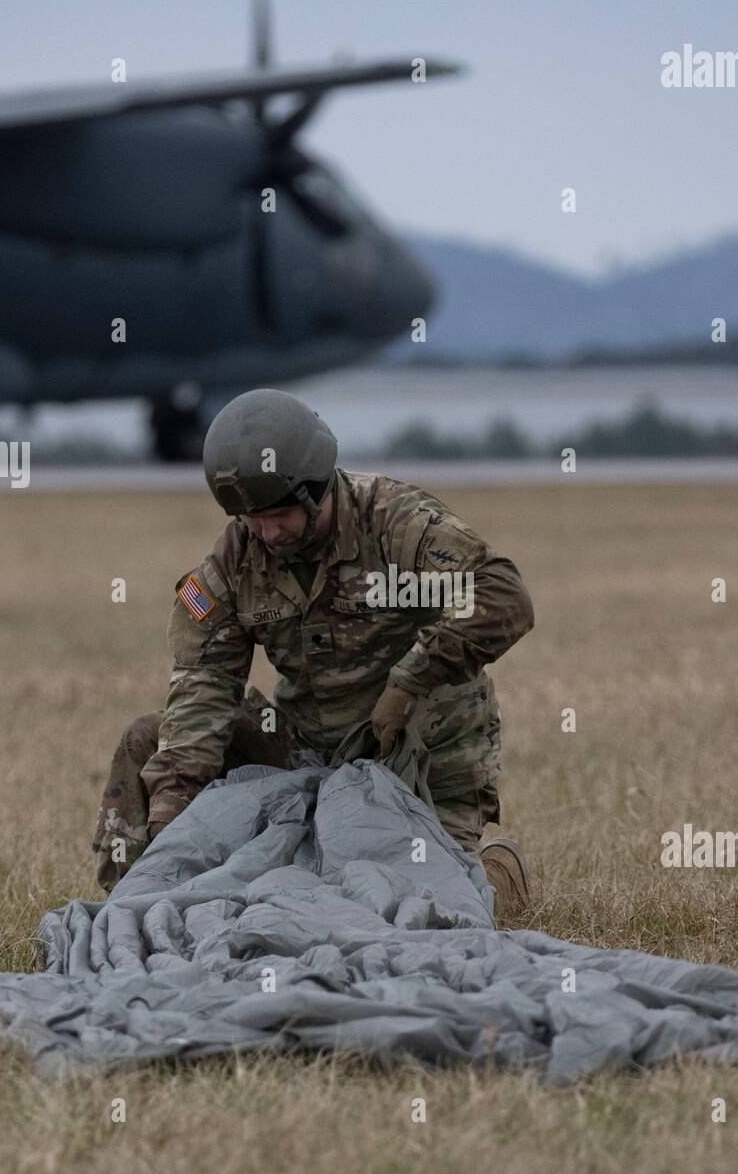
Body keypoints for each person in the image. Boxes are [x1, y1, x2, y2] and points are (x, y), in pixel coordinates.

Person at [92, 388, 535, 919]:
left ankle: (492, 875)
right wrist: (171, 829)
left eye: (279, 514)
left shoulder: (395, 522)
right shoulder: (236, 560)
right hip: (307, 756)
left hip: (417, 756)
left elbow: (501, 596)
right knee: (148, 737)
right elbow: (202, 693)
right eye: (252, 519)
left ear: (317, 490)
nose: (267, 532)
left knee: (414, 908)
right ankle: (133, 907)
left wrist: (412, 679)